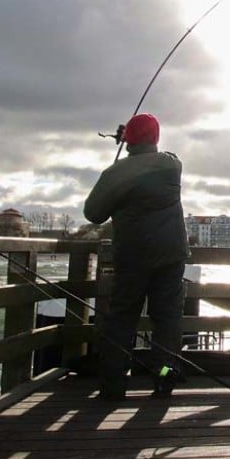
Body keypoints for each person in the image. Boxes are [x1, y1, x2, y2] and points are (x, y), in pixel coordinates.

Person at [83, 113, 190, 400]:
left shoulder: (115, 173)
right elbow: (170, 155)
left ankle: (113, 386)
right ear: (156, 138)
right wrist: (132, 140)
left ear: (127, 139)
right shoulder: (171, 166)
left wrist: (124, 152)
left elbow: (93, 213)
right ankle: (164, 380)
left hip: (131, 257)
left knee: (121, 319)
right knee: (167, 319)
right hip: (170, 256)